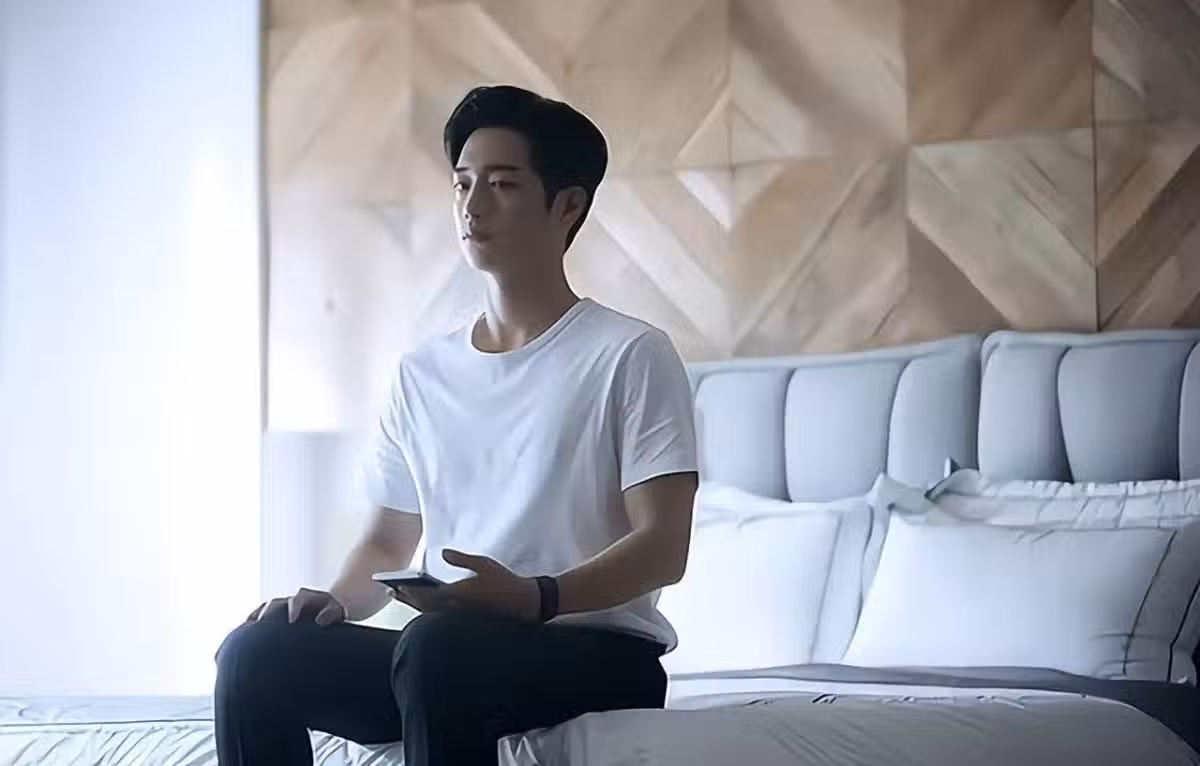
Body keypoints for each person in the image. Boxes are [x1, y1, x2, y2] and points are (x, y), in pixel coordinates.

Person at [213, 84, 700, 766]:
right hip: (450, 652)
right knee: (258, 652)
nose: (473, 206)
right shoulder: (423, 372)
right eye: (463, 183)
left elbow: (662, 546)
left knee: (437, 648)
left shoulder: (630, 353)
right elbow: (389, 539)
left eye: (502, 184)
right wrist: (335, 602)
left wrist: (534, 598)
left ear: (567, 206)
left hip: (598, 653)